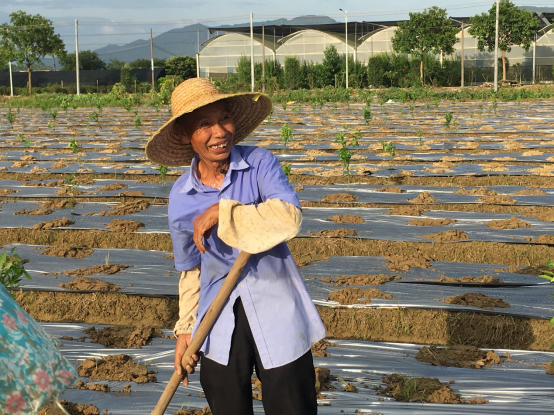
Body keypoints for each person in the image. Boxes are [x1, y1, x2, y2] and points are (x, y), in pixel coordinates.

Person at [146, 78, 326, 415]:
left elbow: (289, 217)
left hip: (277, 309)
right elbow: (191, 270)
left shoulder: (259, 164)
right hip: (217, 320)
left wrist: (225, 212)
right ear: (186, 135)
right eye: (204, 124)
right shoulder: (182, 198)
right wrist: (185, 329)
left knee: (292, 405)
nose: (220, 132)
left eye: (224, 119)